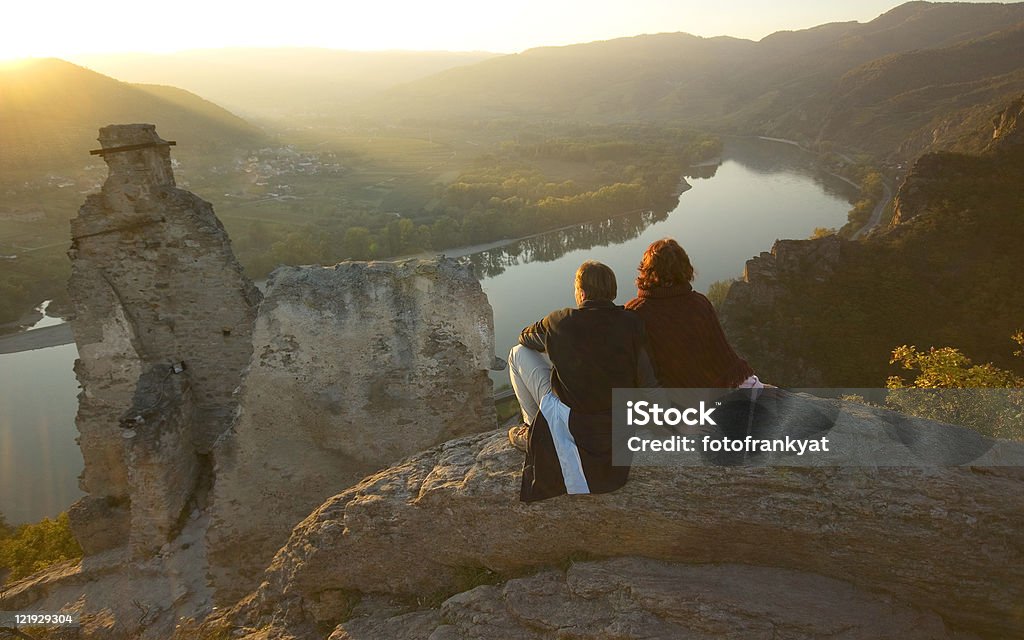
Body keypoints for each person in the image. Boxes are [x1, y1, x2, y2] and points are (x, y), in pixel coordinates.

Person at [508, 260, 658, 502]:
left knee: (517, 353)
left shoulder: (559, 321)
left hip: (574, 420)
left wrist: (563, 345)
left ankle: (530, 427)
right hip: (615, 421)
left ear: (582, 292)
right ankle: (533, 426)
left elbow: (525, 338)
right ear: (612, 291)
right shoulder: (632, 323)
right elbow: (648, 383)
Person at [625, 238, 762, 389]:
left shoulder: (633, 312)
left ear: (646, 270)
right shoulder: (699, 303)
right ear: (684, 268)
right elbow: (722, 358)